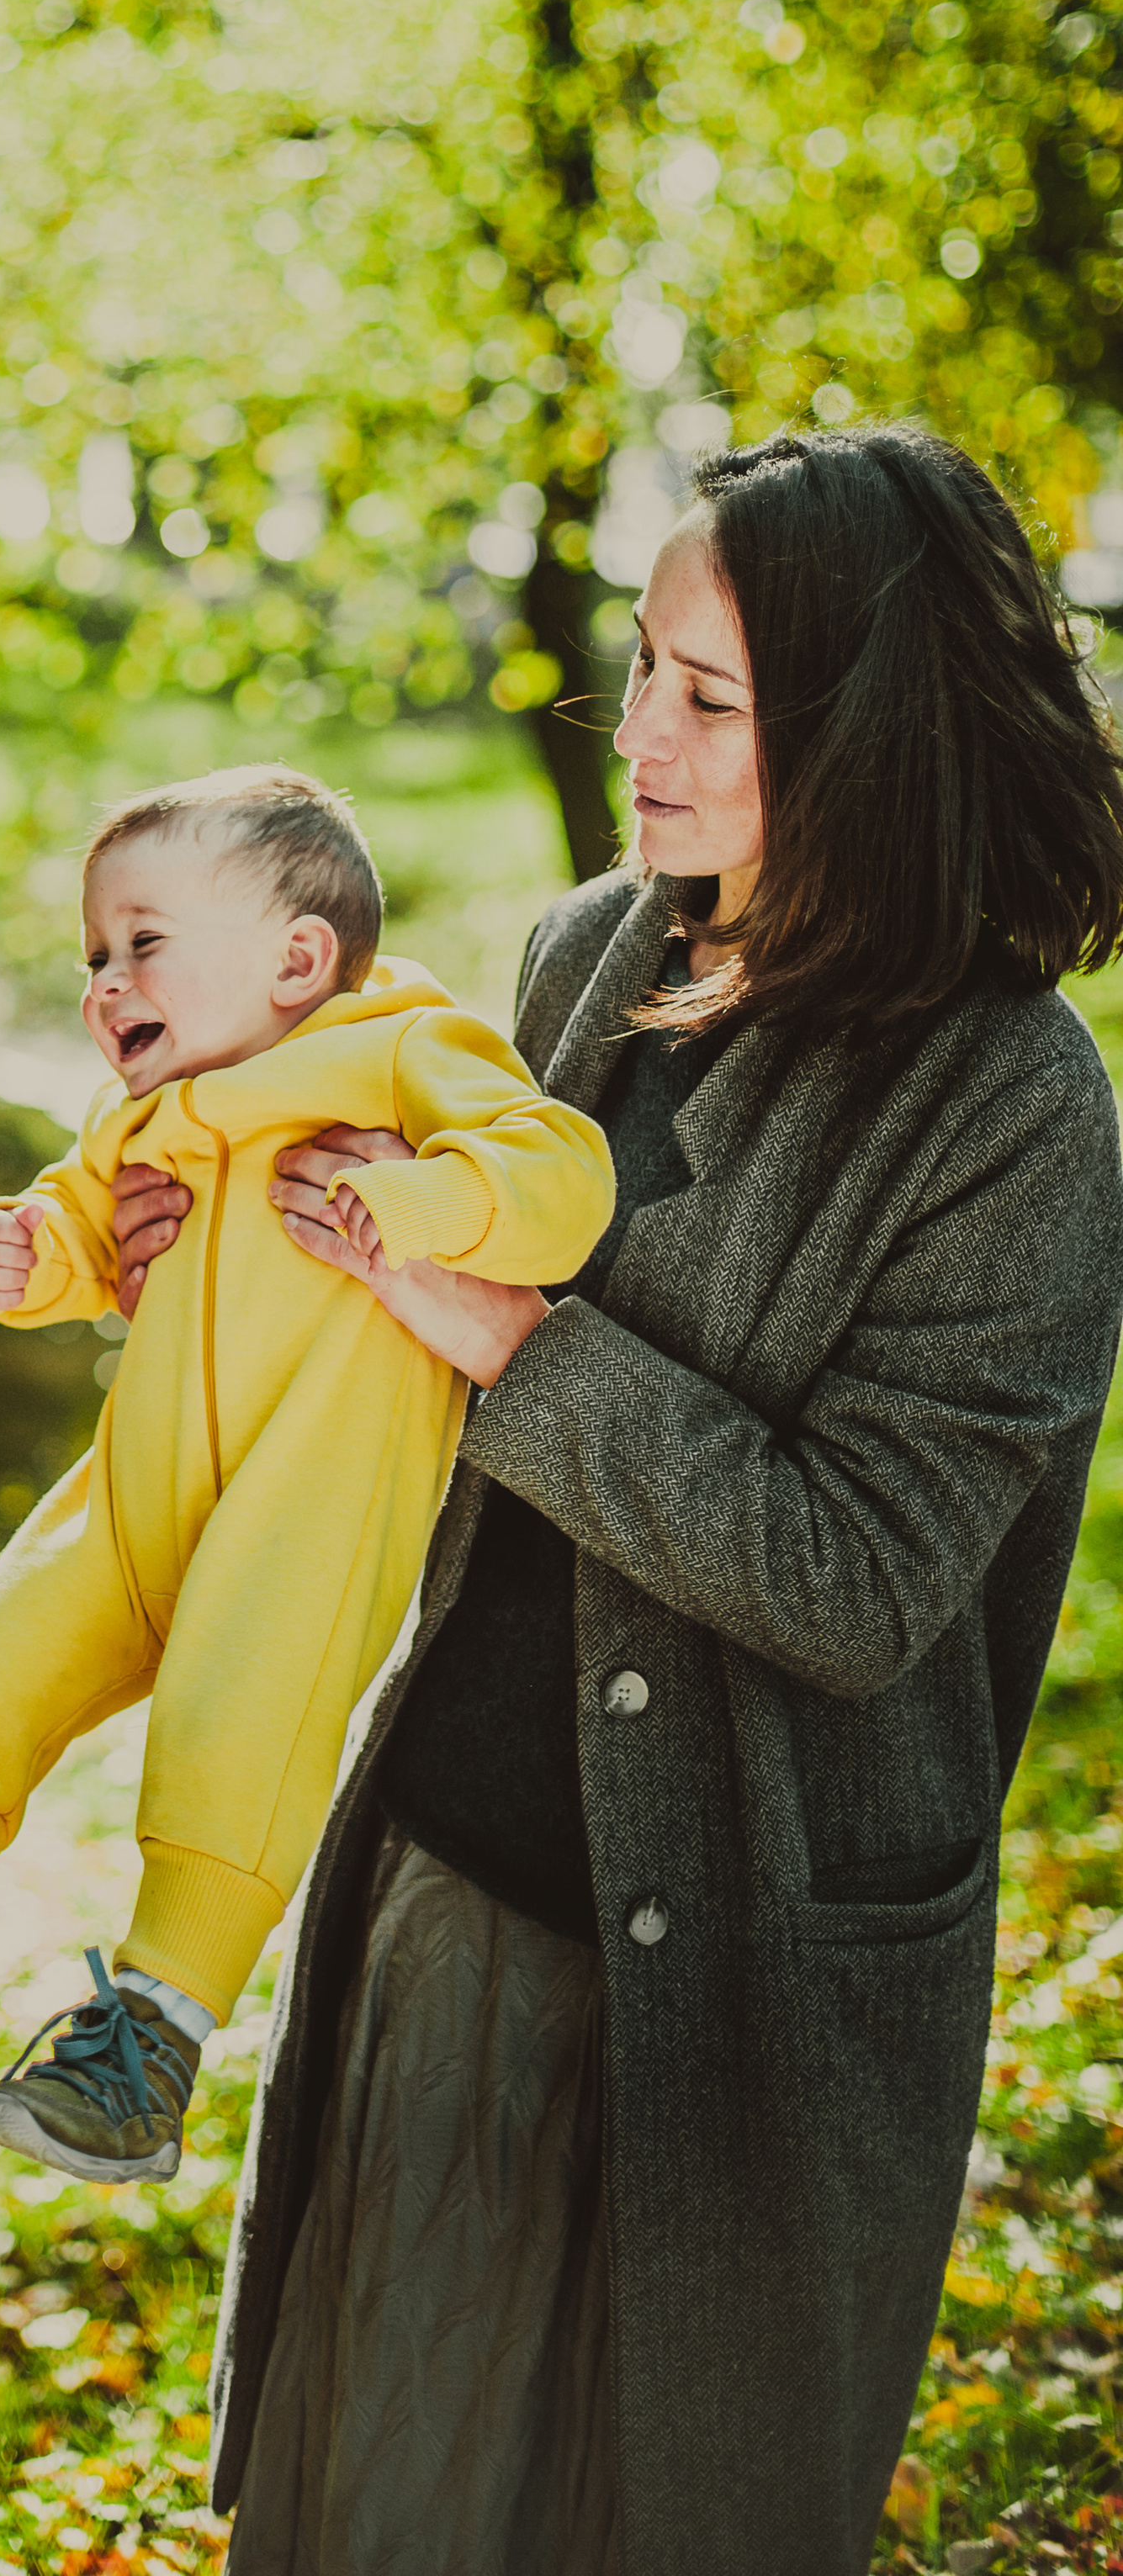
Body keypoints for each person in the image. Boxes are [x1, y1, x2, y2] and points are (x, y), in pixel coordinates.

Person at [105, 425, 1123, 2576]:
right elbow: (378, 1303)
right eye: (640, 671)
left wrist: (507, 1338)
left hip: (732, 2001)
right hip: (443, 1897)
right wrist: (209, 1260)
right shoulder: (588, 952)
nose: (631, 733)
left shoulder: (1015, 1112)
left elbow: (856, 1580)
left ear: (864, 733)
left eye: (703, 698)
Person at [0, 767, 615, 2184]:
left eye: (141, 942)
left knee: (235, 1748)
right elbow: (83, 1225)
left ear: (296, 956)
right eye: (94, 957)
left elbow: (558, 1175)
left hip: (300, 1515)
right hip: (130, 1505)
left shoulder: (406, 1050)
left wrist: (424, 1201)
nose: (105, 985)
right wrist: (24, 1254)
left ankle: (149, 2033)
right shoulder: (148, 1112)